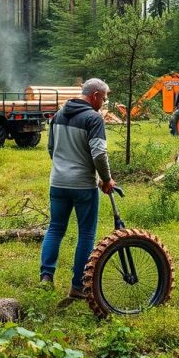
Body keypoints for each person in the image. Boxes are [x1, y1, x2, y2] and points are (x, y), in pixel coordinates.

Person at [39, 78, 116, 303]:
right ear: (94, 95)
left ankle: (46, 277)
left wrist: (63, 168)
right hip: (83, 186)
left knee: (55, 229)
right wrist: (106, 179)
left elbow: (51, 149)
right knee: (86, 234)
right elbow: (99, 154)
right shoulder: (93, 118)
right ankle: (78, 286)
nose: (104, 102)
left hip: (58, 183)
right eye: (104, 97)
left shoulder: (59, 115)